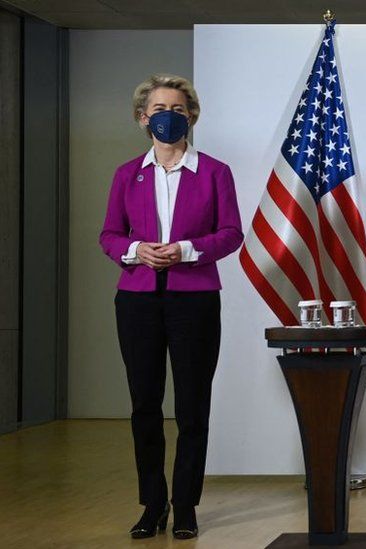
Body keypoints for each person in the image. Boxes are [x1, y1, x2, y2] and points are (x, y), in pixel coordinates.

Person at [99, 74, 243, 539]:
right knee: (144, 404)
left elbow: (230, 234)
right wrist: (135, 250)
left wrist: (183, 250)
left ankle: (185, 506)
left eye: (178, 109)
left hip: (195, 300)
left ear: (192, 116)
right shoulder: (127, 174)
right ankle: (152, 504)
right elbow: (109, 235)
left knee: (192, 407)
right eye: (159, 109)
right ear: (143, 118)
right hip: (138, 301)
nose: (168, 116)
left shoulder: (215, 171)